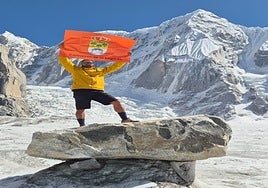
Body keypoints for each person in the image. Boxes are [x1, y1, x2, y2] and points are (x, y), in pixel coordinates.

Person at [58, 54, 137, 126]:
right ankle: (82, 125)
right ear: (82, 64)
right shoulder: (76, 70)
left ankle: (125, 119)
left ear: (93, 63)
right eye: (85, 62)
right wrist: (62, 51)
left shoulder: (100, 71)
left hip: (97, 91)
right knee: (80, 109)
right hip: (81, 91)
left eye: (89, 62)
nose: (88, 63)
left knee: (116, 102)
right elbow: (65, 61)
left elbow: (115, 66)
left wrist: (124, 58)